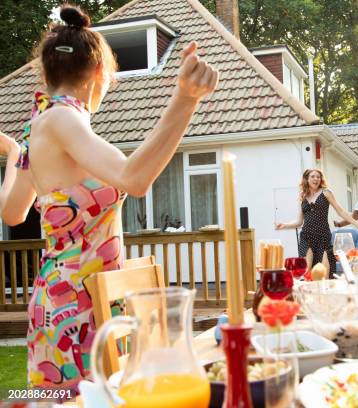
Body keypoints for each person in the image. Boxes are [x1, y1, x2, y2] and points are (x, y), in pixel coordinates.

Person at [0, 5, 218, 391]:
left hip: (69, 296)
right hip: (74, 306)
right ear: (100, 72)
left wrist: (18, 154)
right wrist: (185, 99)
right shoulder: (62, 120)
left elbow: (13, 212)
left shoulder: (41, 124)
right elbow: (132, 178)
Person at [275, 169, 358, 276]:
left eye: (318, 177)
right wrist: (285, 225)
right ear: (307, 179)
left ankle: (325, 292)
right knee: (306, 272)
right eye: (313, 177)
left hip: (323, 237)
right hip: (306, 236)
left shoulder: (326, 193)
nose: (316, 179)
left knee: (323, 273)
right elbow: (299, 222)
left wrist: (357, 224)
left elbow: (340, 211)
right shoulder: (303, 196)